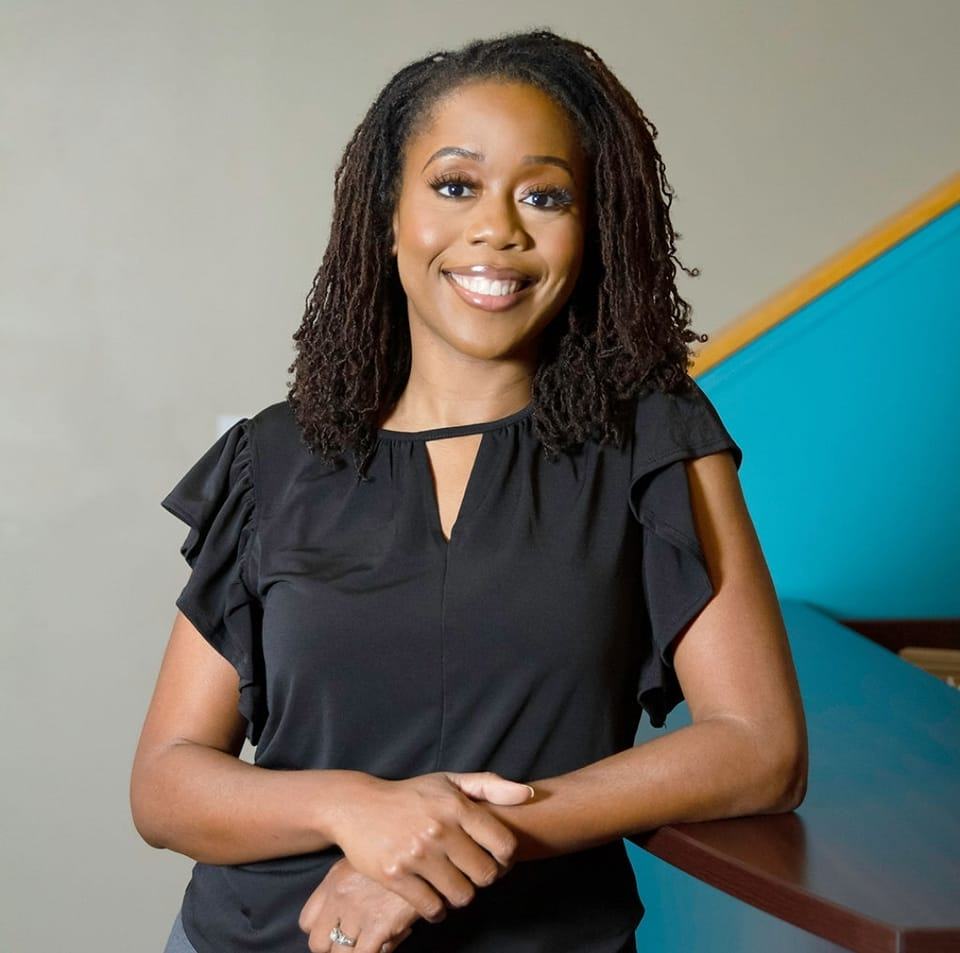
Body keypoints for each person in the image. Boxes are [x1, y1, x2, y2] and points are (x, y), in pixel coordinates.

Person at [131, 28, 807, 953]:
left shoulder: (653, 439)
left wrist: (446, 847)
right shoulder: (274, 457)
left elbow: (760, 746)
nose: (499, 226)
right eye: (455, 186)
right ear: (388, 215)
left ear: (595, 226)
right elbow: (166, 784)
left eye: (544, 194)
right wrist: (361, 811)